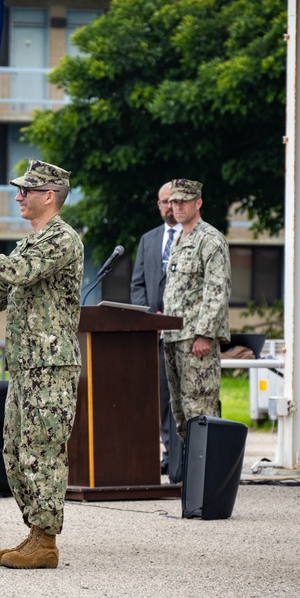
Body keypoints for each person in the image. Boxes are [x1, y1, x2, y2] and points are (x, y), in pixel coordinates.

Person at [0, 159, 84, 570]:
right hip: (26, 366)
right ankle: (34, 532)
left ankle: (45, 540)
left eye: (25, 192)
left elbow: (18, 273)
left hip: (50, 366)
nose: (18, 197)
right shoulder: (30, 241)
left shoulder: (61, 239)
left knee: (41, 449)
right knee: (14, 450)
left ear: (49, 196)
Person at [162, 179, 231, 441]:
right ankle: (193, 478)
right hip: (173, 337)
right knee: (181, 414)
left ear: (198, 203)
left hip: (195, 341)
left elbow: (217, 290)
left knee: (200, 412)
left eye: (183, 201)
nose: (176, 207)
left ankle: (208, 480)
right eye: (173, 202)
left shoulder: (210, 239)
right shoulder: (179, 239)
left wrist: (204, 334)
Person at [130, 181, 182, 477]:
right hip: (153, 337)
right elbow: (137, 284)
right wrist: (151, 318)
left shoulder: (194, 238)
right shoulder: (149, 240)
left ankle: (181, 459)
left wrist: (171, 317)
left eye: (173, 201)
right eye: (163, 202)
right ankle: (166, 457)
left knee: (178, 399)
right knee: (158, 398)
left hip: (182, 331)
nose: (168, 206)